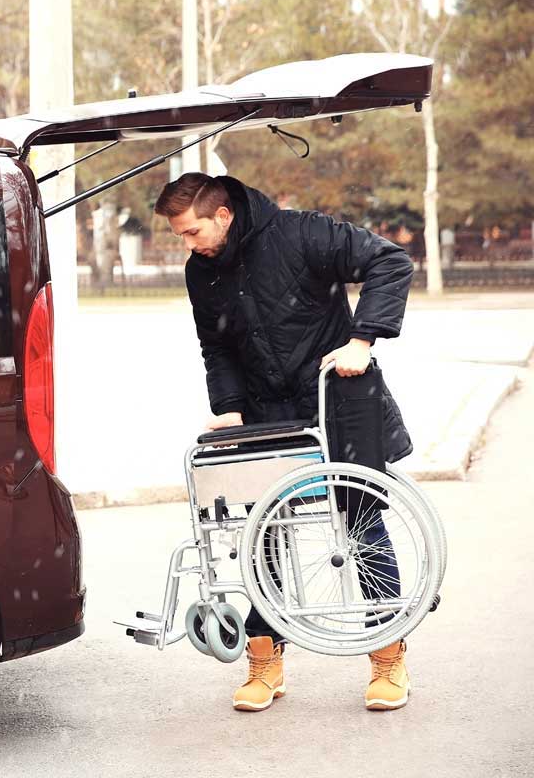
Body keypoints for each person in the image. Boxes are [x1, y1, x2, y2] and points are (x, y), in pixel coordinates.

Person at [154, 173, 415, 712]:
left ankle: (388, 656)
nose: (188, 242)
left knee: (361, 527)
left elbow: (391, 261)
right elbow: (216, 346)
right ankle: (265, 662)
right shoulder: (200, 272)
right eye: (181, 235)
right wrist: (227, 410)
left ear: (223, 215)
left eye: (192, 230)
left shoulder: (302, 234)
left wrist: (361, 340)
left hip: (335, 396)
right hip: (265, 413)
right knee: (262, 537)